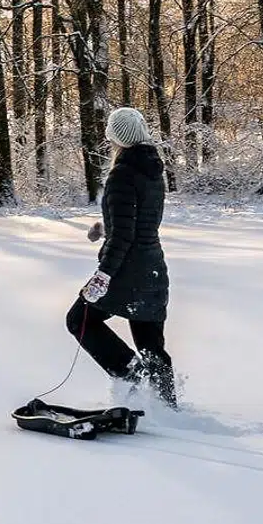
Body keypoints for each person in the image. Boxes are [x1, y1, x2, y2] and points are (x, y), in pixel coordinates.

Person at [66, 106, 177, 408]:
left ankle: (131, 375)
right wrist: (105, 227)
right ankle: (168, 409)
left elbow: (125, 237)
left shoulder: (122, 174)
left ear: (116, 137)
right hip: (153, 269)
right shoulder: (152, 169)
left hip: (127, 271)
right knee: (151, 347)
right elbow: (141, 221)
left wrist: (102, 276)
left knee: (79, 320)